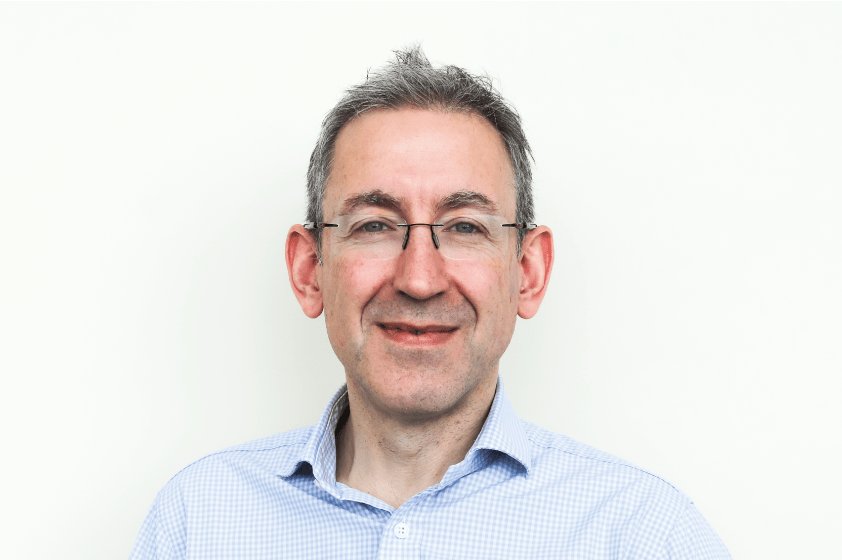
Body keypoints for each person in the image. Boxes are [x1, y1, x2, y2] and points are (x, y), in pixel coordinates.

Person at [130, 46, 731, 560]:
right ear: (310, 270)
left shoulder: (642, 535)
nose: (419, 280)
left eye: (465, 227)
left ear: (528, 271)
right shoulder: (197, 522)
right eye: (374, 225)